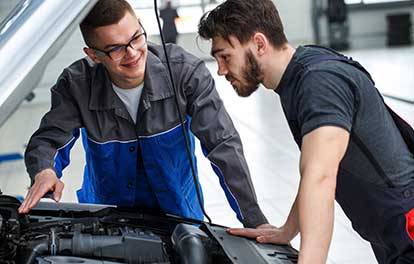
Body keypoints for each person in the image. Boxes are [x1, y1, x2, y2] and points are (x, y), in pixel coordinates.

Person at [18, 0, 269, 229]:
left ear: (140, 25)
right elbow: (48, 141)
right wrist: (45, 170)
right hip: (108, 217)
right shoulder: (77, 85)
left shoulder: (185, 74)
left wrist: (255, 221)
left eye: (136, 37)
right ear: (93, 55)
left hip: (179, 215)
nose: (133, 53)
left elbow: (222, 145)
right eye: (116, 49)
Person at [198, 0, 414, 263]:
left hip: (406, 225)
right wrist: (288, 230)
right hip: (391, 229)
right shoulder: (300, 73)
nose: (220, 70)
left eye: (225, 56)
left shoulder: (318, 83)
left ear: (259, 43)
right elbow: (314, 168)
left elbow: (321, 178)